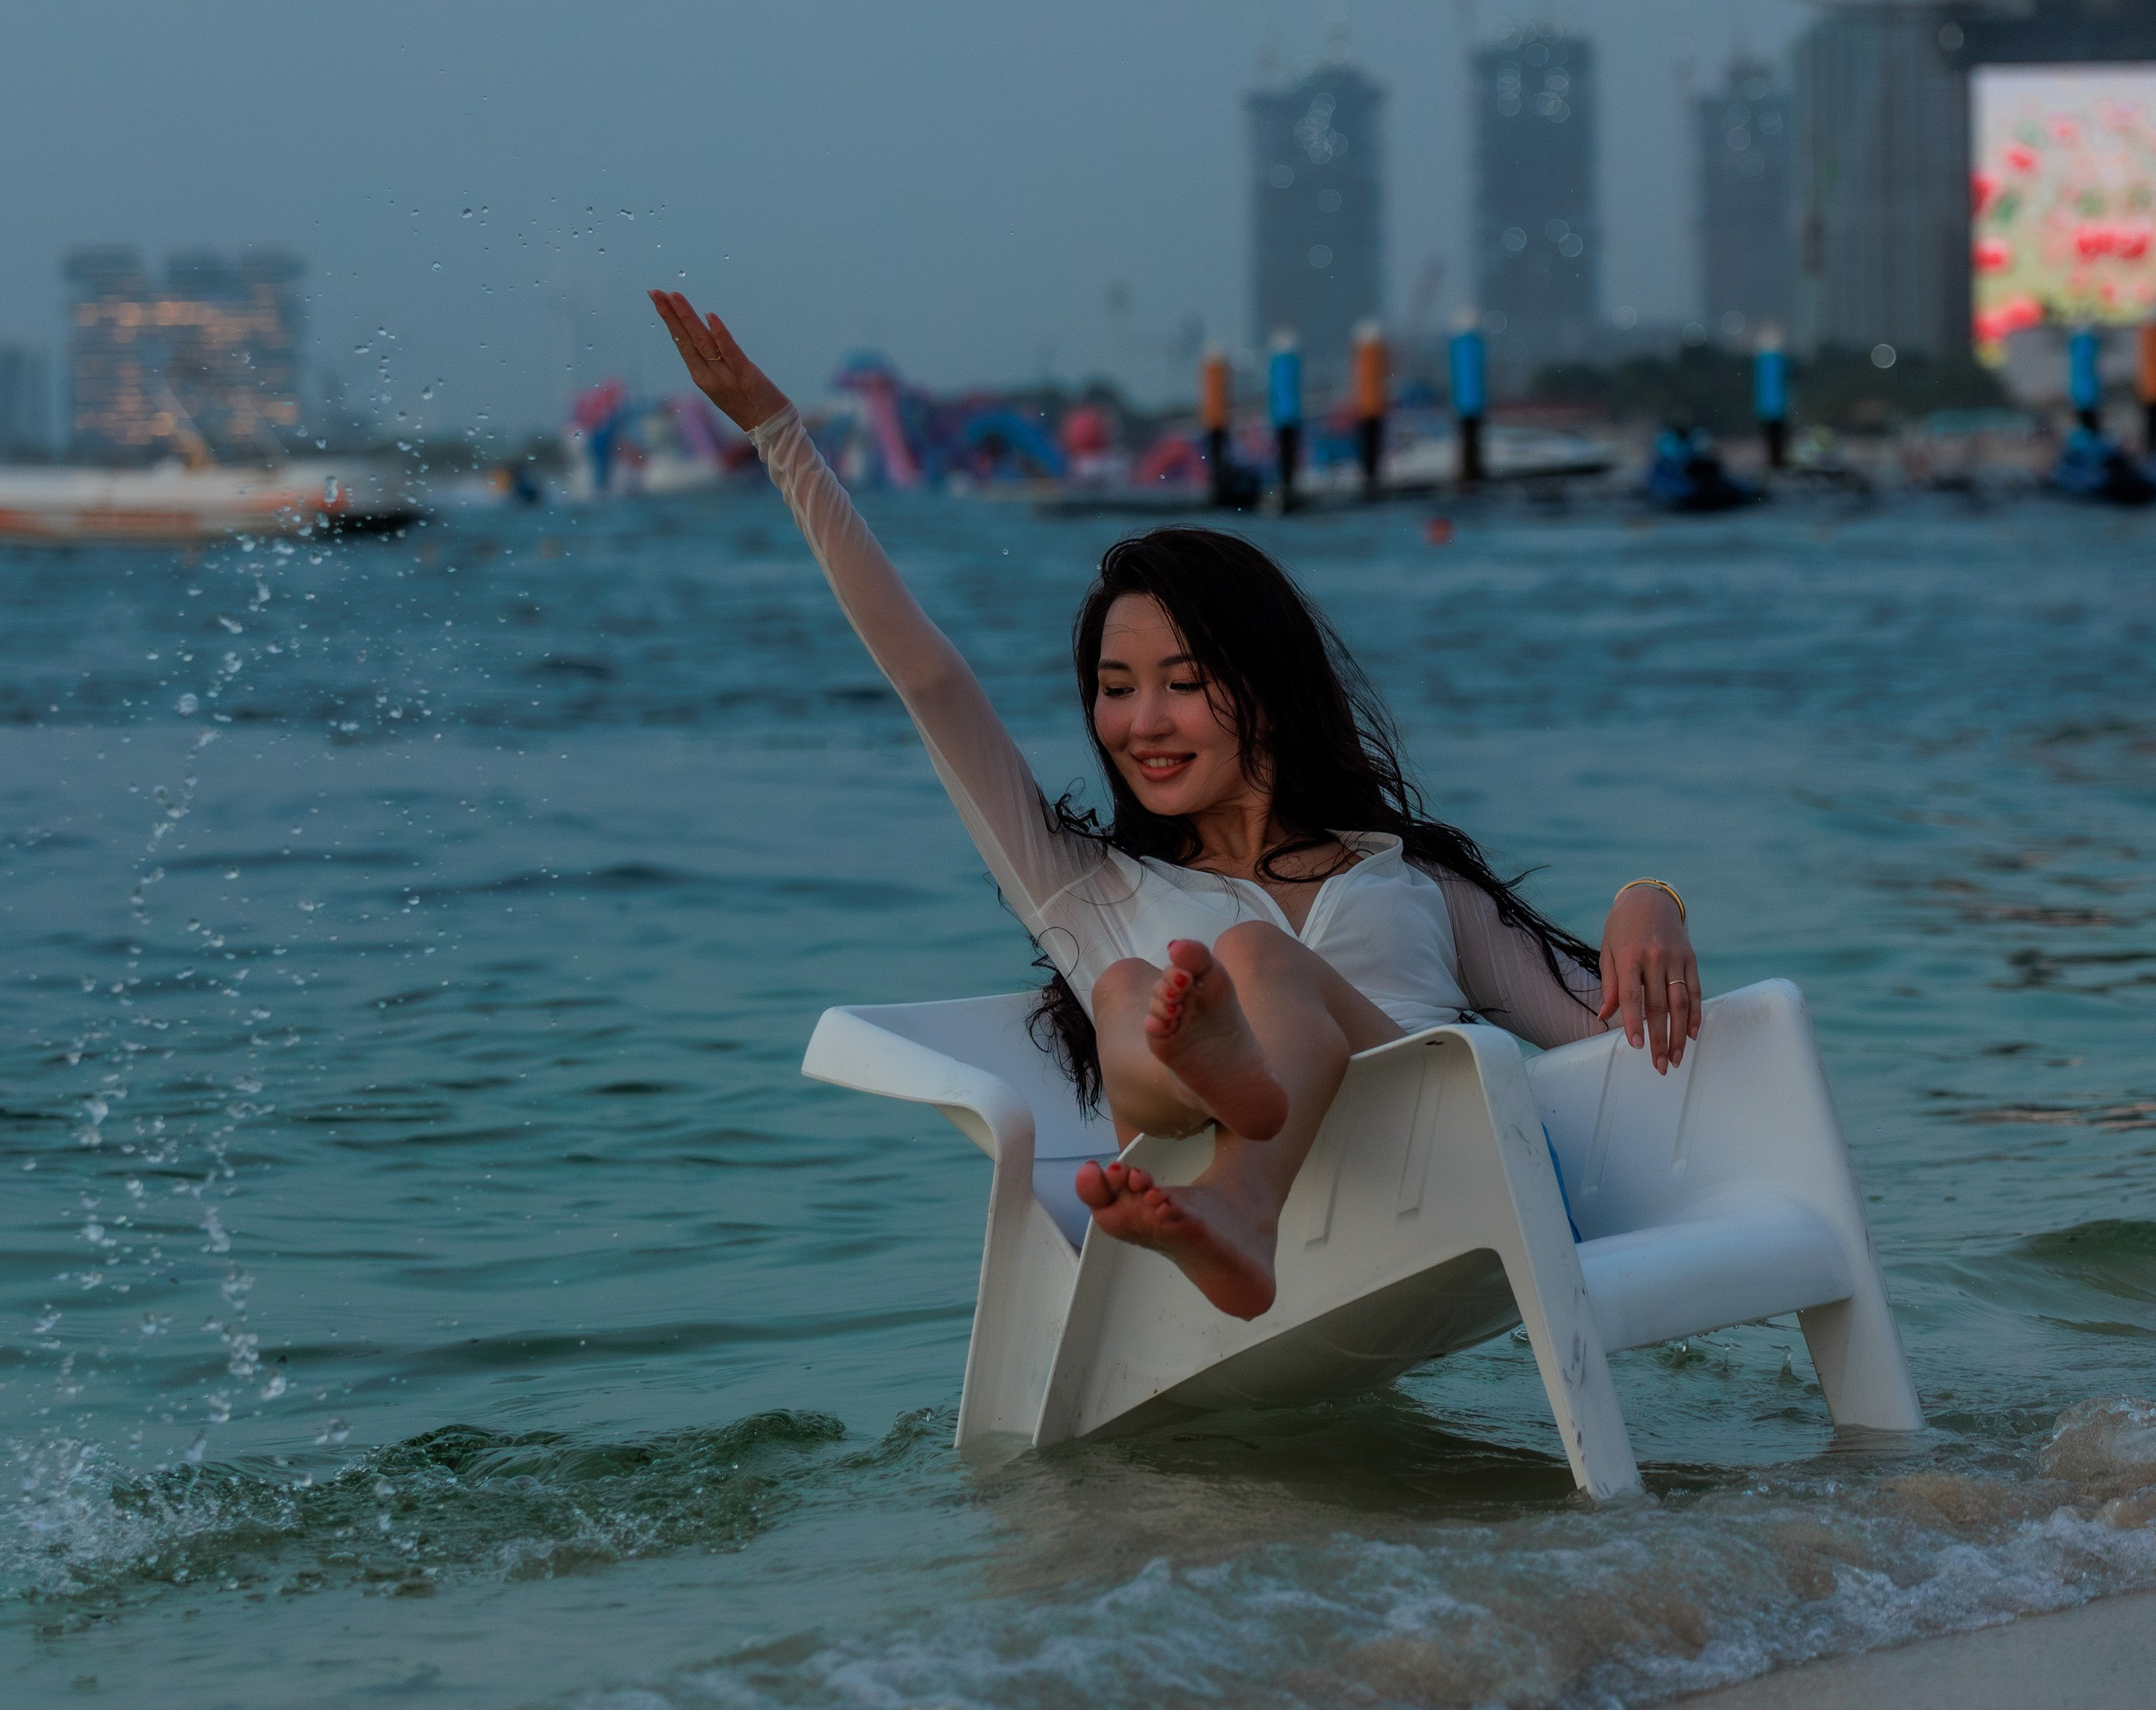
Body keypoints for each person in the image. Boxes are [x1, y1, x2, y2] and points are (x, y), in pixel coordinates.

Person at [651, 292, 1702, 1327]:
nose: (1141, 722)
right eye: (1115, 688)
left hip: (1454, 1187)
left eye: (1183, 680)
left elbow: (1609, 1044)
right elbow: (929, 682)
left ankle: (1242, 1151)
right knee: (1123, 984)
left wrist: (1647, 901)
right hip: (1236, 1215)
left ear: (1269, 687)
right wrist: (778, 437)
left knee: (1249, 963)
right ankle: (1221, 1111)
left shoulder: (1407, 876)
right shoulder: (1089, 888)